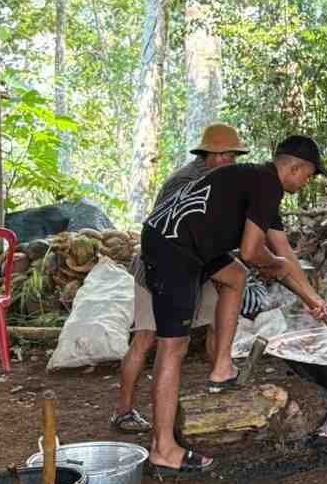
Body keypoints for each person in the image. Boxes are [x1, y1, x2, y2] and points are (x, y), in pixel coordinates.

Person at [142, 135, 327, 476]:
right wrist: (271, 264)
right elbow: (252, 251)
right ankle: (163, 448)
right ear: (294, 167)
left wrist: (312, 300)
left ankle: (222, 368)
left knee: (235, 277)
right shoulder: (266, 183)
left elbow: (283, 253)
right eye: (309, 175)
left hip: (187, 242)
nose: (307, 183)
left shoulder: (258, 183)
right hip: (172, 246)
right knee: (173, 347)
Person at [112, 124, 268, 433]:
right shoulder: (184, 182)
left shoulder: (220, 180)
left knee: (218, 321)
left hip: (202, 265)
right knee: (146, 339)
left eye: (236, 156)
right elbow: (167, 234)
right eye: (231, 156)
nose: (234, 162)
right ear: (218, 156)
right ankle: (124, 411)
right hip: (158, 269)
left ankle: (220, 382)